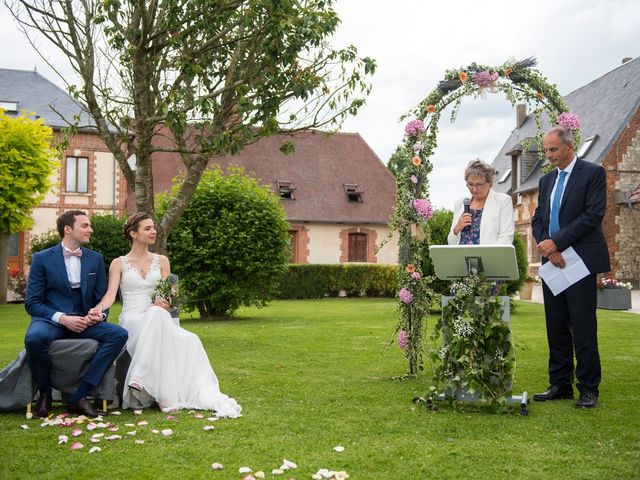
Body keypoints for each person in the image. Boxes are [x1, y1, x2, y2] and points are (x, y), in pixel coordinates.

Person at [89, 213, 241, 417]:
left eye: (154, 228)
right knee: (156, 315)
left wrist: (167, 302)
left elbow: (172, 294)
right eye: (148, 228)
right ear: (133, 233)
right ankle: (162, 395)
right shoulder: (119, 263)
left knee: (184, 334)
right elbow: (110, 295)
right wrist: (98, 309)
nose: (154, 232)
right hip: (133, 318)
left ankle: (141, 378)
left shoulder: (162, 261)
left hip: (158, 317)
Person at [531, 127, 610, 409]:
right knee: (556, 326)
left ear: (568, 146)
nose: (548, 155)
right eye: (546, 150)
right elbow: (538, 218)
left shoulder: (593, 173)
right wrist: (545, 244)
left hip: (580, 262)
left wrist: (558, 243)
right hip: (552, 263)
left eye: (553, 150)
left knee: (583, 326)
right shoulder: (546, 181)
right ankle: (560, 384)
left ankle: (589, 389)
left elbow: (592, 215)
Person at [24, 210, 128, 418]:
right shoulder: (42, 259)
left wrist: (98, 315)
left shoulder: (95, 259)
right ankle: (44, 394)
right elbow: (32, 303)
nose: (91, 229)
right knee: (34, 338)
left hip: (84, 322)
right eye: (85, 225)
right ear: (68, 229)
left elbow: (102, 300)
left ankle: (79, 396)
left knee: (119, 334)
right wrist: (62, 318)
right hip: (52, 321)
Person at [448, 159, 514, 245]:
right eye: (470, 184)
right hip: (461, 257)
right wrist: (456, 229)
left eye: (479, 185)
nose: (474, 189)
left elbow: (506, 238)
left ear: (489, 182)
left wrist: (486, 256)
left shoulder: (503, 201)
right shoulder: (460, 203)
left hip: (490, 258)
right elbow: (451, 242)